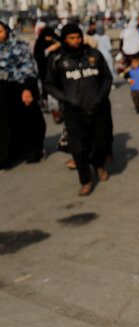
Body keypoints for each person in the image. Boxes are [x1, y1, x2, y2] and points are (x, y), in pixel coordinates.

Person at [45, 23, 113, 196]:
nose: (76, 41)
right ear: (65, 39)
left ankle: (98, 165)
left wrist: (100, 96)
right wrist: (65, 98)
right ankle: (86, 180)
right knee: (79, 148)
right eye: (71, 38)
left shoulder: (93, 55)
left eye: (78, 37)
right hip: (73, 111)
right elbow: (49, 84)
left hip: (96, 108)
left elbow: (106, 77)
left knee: (100, 143)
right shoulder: (57, 59)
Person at [0, 20, 46, 167]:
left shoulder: (19, 46)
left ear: (7, 31)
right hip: (1, 92)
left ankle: (31, 151)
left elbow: (28, 68)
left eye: (0, 32)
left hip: (18, 88)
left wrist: (27, 89)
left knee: (26, 121)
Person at [33, 26, 62, 122]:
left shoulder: (56, 41)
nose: (49, 39)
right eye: (47, 37)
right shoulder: (39, 43)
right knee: (48, 91)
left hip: (58, 71)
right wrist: (49, 50)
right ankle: (54, 110)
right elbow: (38, 56)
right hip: (45, 71)